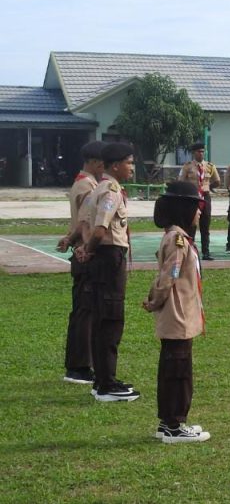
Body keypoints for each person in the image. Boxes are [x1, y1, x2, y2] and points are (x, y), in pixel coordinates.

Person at [142, 181, 212, 444]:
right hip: (178, 314)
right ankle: (174, 425)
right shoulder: (178, 240)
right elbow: (169, 275)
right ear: (184, 209)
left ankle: (168, 423)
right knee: (178, 372)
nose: (200, 212)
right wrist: (155, 299)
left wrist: (153, 297)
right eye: (197, 207)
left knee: (173, 368)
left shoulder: (175, 236)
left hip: (179, 314)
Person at [79, 142, 140, 402]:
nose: (132, 168)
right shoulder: (111, 191)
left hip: (102, 257)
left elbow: (85, 223)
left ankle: (102, 380)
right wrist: (90, 249)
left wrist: (87, 249)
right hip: (109, 257)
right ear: (115, 166)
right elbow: (100, 230)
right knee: (111, 320)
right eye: (129, 163)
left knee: (101, 318)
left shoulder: (98, 188)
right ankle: (107, 384)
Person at [56, 140, 107, 385]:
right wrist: (79, 243)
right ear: (95, 162)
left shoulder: (83, 183)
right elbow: (85, 223)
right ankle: (79, 366)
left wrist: (68, 238)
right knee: (85, 312)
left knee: (83, 310)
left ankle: (79, 364)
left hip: (80, 250)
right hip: (85, 254)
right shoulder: (88, 187)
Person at [177, 142, 221, 261]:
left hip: (205, 197)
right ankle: (190, 251)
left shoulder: (210, 166)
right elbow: (181, 181)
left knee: (205, 225)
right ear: (193, 153)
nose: (201, 154)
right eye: (198, 151)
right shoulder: (188, 166)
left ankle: (206, 251)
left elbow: (217, 181)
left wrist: (208, 187)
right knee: (191, 225)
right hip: (192, 198)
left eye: (202, 151)